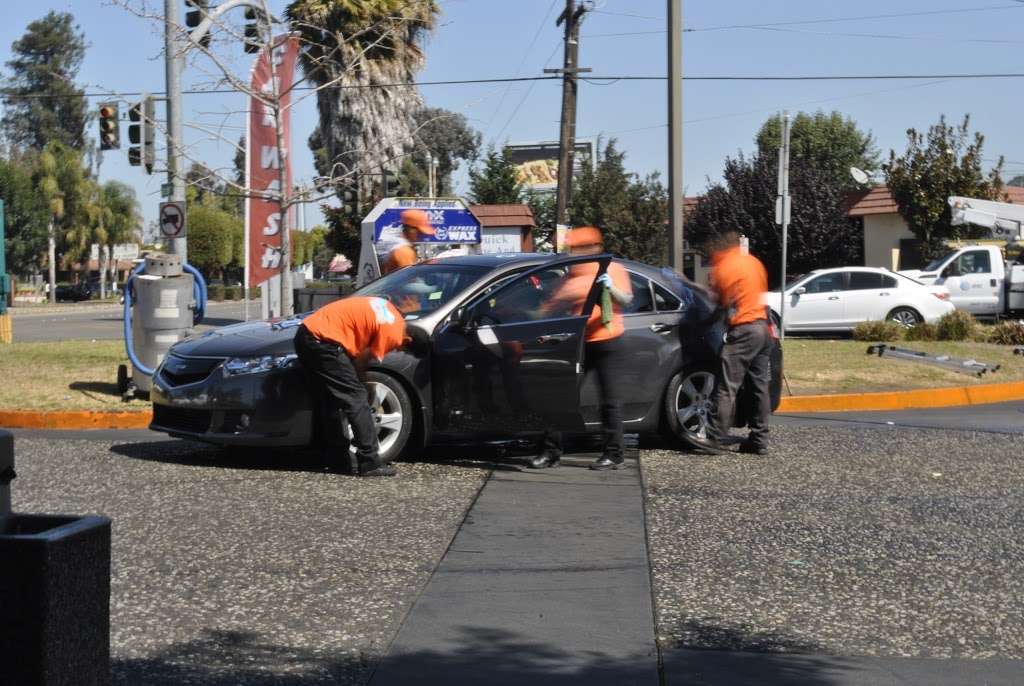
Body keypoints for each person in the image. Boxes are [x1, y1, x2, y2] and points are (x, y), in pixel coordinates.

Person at [529, 226, 634, 471]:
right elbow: (551, 308)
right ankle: (550, 452)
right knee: (561, 399)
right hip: (577, 343)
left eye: (580, 248)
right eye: (573, 248)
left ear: (595, 248)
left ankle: (614, 454)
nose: (574, 253)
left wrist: (610, 288)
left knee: (610, 402)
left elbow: (626, 300)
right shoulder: (569, 277)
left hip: (609, 342)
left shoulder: (610, 269)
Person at [294, 296, 424, 476]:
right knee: (357, 399)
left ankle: (338, 460)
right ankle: (370, 462)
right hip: (324, 342)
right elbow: (362, 360)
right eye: (401, 350)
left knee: (332, 401)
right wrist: (365, 387)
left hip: (307, 333)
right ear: (408, 340)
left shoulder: (393, 314)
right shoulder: (394, 333)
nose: (396, 350)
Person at [690, 230, 772, 456]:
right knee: (759, 387)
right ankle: (759, 440)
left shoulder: (725, 268)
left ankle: (715, 438)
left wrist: (702, 320)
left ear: (721, 249)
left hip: (743, 331)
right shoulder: (753, 262)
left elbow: (719, 304)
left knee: (726, 386)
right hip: (762, 328)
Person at [382, 209, 436, 275]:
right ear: (410, 229)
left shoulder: (396, 244)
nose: (421, 235)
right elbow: (409, 280)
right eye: (420, 231)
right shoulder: (403, 251)